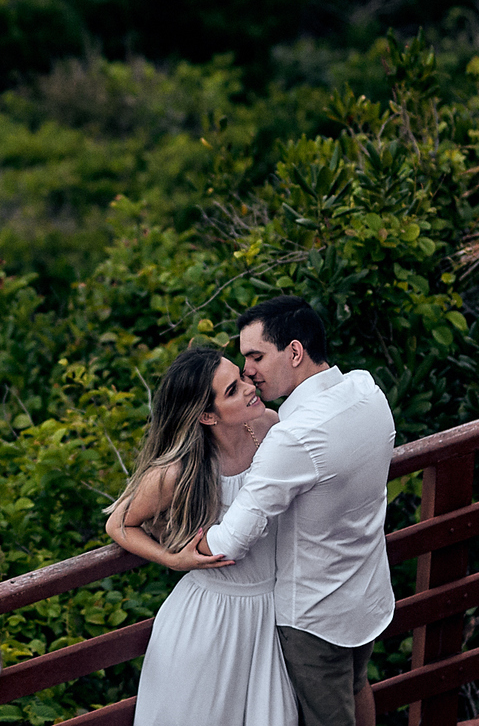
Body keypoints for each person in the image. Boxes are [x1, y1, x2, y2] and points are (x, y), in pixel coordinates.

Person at [196, 296, 395, 726]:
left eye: (256, 356)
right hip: (367, 595)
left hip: (314, 617)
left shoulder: (295, 436)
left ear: (295, 352)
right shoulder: (367, 389)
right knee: (359, 687)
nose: (248, 370)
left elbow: (230, 540)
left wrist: (184, 543)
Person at [105, 346, 298, 726]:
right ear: (207, 415)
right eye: (232, 390)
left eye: (240, 377)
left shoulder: (272, 426)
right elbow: (118, 523)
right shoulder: (179, 471)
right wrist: (173, 560)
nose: (248, 387)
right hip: (207, 622)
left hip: (270, 612)